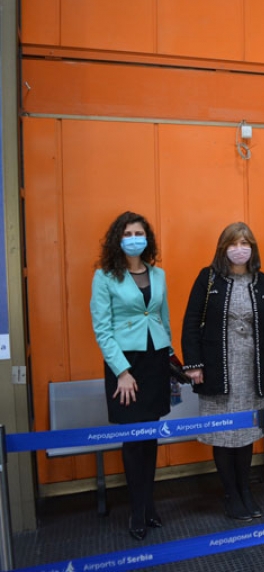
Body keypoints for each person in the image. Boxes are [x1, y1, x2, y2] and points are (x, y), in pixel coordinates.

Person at [181, 222, 264, 521]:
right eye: (233, 244)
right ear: (223, 248)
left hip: (251, 370)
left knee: (246, 433)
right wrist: (194, 364)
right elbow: (191, 322)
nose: (240, 249)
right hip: (217, 369)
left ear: (253, 248)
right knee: (224, 433)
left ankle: (245, 490)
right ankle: (231, 494)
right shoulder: (208, 278)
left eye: (245, 243)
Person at [90, 211, 172, 541]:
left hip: (155, 362)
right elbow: (102, 329)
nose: (134, 239)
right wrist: (122, 372)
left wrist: (170, 357)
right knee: (133, 440)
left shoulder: (158, 274)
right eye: (127, 234)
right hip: (125, 365)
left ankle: (149, 505)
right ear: (117, 239)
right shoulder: (104, 276)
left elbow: (163, 318)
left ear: (147, 239)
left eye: (139, 233)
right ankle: (136, 511)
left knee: (150, 438)